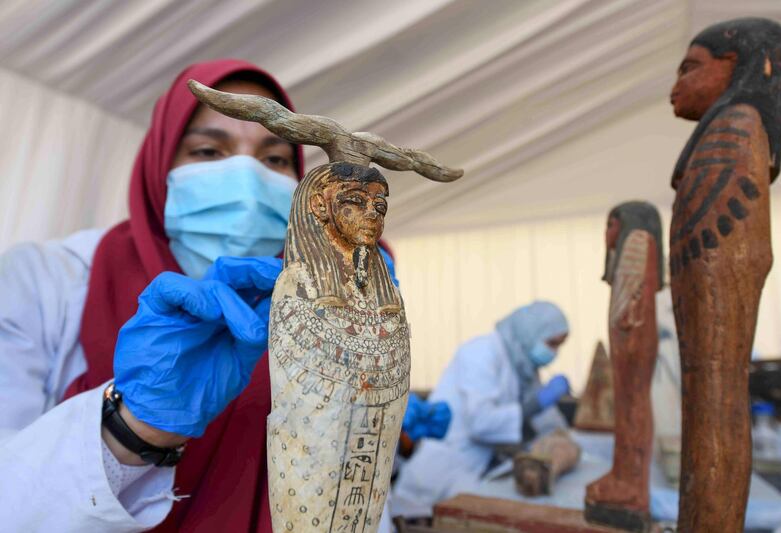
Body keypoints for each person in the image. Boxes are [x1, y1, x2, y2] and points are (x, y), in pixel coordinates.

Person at [0, 59, 394, 532]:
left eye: (274, 160)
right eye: (209, 151)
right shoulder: (46, 282)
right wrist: (131, 428)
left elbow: (348, 487)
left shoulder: (319, 303)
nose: (247, 182)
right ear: (159, 165)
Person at [391, 301, 570, 518]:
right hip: (441, 469)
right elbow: (481, 422)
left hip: (472, 469)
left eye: (559, 346)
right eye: (551, 343)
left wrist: (561, 437)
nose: (553, 352)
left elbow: (543, 421)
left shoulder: (521, 368)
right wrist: (534, 406)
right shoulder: (481, 352)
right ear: (530, 332)